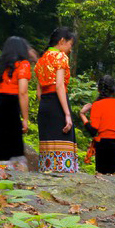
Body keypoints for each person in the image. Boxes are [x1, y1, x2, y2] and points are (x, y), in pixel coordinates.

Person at [0, 36, 35, 170]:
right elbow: (23, 92)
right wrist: (25, 118)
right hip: (10, 109)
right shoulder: (23, 64)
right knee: (12, 147)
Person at [35, 26, 78, 173]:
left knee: (47, 147)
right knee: (63, 143)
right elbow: (59, 86)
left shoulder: (41, 59)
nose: (70, 49)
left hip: (45, 106)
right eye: (70, 45)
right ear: (61, 41)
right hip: (57, 104)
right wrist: (67, 114)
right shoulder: (60, 57)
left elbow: (38, 92)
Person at [79, 75, 115, 175]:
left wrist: (82, 115)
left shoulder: (97, 105)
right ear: (114, 89)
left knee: (103, 180)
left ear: (99, 89)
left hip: (102, 148)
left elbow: (93, 131)